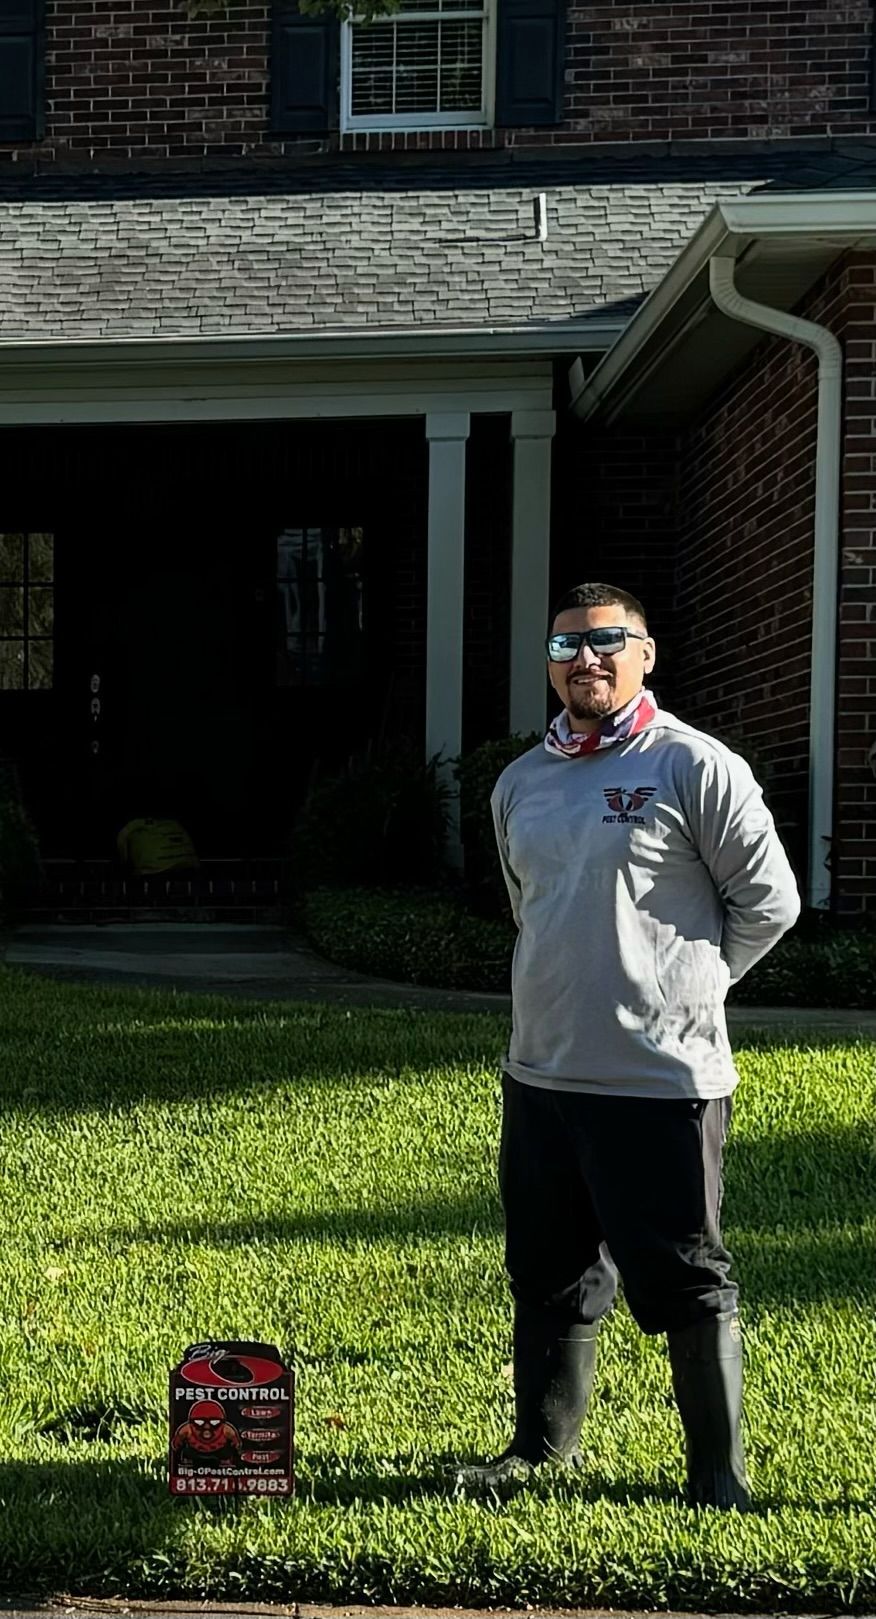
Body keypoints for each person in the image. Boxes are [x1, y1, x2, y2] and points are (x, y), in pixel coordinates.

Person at [457, 581, 800, 1508]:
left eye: (610, 640)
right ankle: (539, 1449)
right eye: (568, 646)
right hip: (541, 1073)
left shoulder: (695, 765)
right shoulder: (520, 782)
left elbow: (771, 902)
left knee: (685, 1277)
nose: (587, 658)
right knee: (547, 1269)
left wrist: (694, 985)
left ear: (647, 652)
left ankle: (718, 1479)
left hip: (660, 1080)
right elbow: (532, 909)